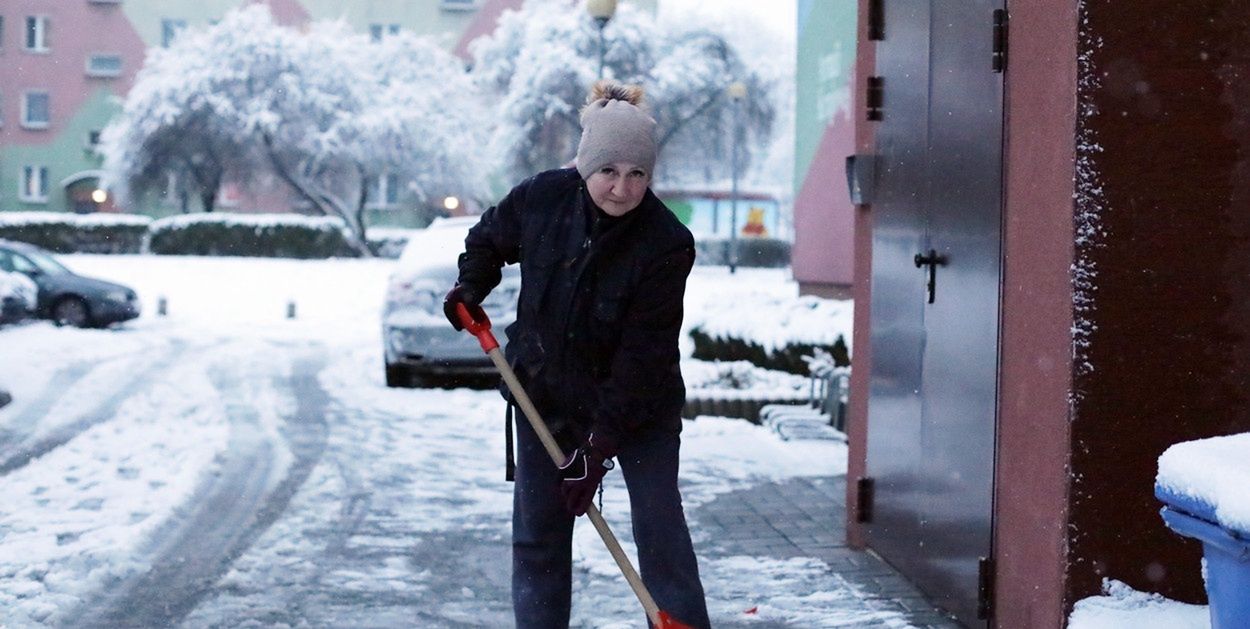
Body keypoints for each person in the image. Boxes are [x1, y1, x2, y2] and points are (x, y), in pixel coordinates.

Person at [443, 80, 711, 629]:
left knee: (658, 529)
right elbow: (488, 240)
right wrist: (471, 287)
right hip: (545, 396)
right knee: (539, 536)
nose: (621, 188)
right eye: (609, 171)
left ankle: (682, 621)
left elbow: (642, 360)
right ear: (586, 165)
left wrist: (598, 447)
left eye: (637, 174)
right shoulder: (542, 199)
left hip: (639, 412)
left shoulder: (665, 243)